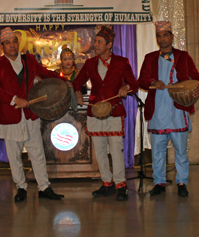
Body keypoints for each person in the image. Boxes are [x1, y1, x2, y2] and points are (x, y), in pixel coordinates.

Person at [0, 27, 65, 202]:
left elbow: (45, 73)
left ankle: (44, 187)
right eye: (8, 43)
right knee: (14, 156)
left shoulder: (29, 59)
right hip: (10, 115)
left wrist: (65, 80)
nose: (12, 45)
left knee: (37, 152)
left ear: (18, 43)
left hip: (30, 114)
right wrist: (14, 99)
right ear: (2, 46)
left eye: (14, 41)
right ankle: (21, 187)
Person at [138, 21, 199, 197]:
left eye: (165, 35)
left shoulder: (183, 57)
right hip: (158, 111)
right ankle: (159, 182)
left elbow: (197, 77)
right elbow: (142, 80)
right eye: (159, 36)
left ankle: (182, 182)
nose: (162, 39)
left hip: (178, 111)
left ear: (172, 37)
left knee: (181, 150)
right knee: (158, 151)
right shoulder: (150, 58)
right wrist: (153, 82)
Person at [73, 26, 139, 201]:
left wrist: (125, 87)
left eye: (100, 42)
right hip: (95, 110)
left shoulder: (122, 62)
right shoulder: (89, 63)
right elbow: (77, 81)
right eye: (95, 41)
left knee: (116, 149)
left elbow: (134, 83)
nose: (96, 44)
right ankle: (106, 183)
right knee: (100, 150)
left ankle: (121, 185)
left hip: (114, 110)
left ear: (109, 45)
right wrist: (78, 93)